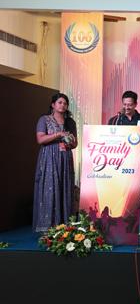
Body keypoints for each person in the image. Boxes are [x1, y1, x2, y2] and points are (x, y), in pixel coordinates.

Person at [33, 93, 78, 232]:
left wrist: (70, 141)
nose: (62, 105)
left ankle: (65, 225)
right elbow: (40, 139)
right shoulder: (44, 119)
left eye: (65, 103)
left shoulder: (70, 122)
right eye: (60, 102)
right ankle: (48, 226)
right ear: (53, 105)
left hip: (65, 158)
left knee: (65, 187)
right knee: (50, 187)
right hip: (49, 159)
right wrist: (58, 134)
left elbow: (75, 144)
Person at [108, 91, 140, 174]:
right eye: (124, 104)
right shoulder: (115, 120)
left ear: (135, 104)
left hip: (136, 160)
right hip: (117, 160)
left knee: (135, 181)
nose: (126, 107)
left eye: (130, 105)